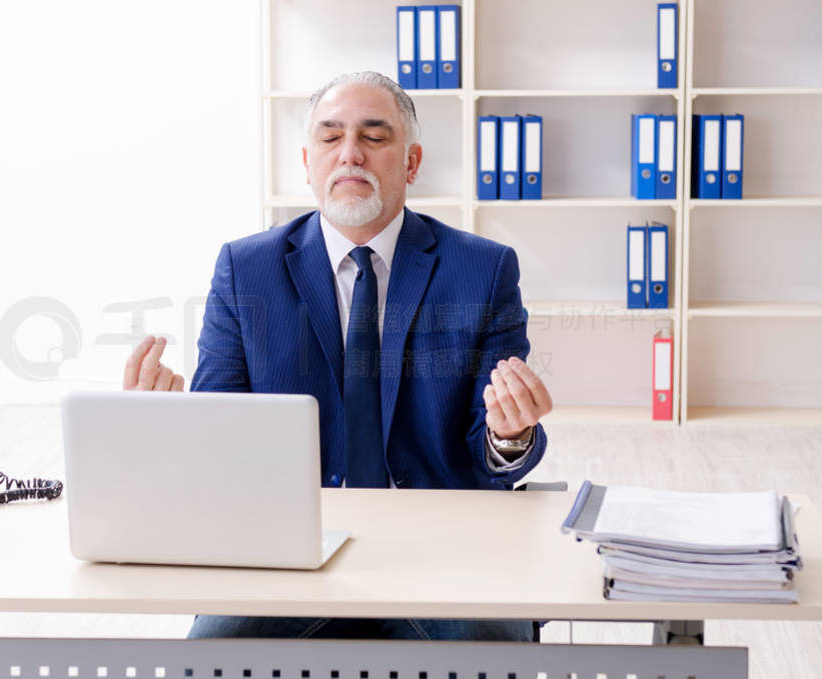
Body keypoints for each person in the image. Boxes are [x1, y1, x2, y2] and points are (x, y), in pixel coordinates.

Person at [122, 71, 553, 641]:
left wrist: (510, 433)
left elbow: (494, 443)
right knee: (215, 651)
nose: (350, 154)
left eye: (374, 137)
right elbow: (220, 431)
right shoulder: (246, 268)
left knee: (491, 648)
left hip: (439, 548)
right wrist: (165, 425)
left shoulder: (483, 268)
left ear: (412, 162)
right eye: (330, 138)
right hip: (291, 548)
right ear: (307, 162)